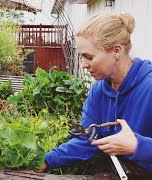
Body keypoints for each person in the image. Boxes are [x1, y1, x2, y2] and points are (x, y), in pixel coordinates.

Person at [37, 13, 152, 174]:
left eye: (89, 57)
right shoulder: (99, 91)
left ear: (116, 51)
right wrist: (48, 160)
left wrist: (138, 146)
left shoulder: (148, 86)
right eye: (81, 57)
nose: (83, 65)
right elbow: (88, 138)